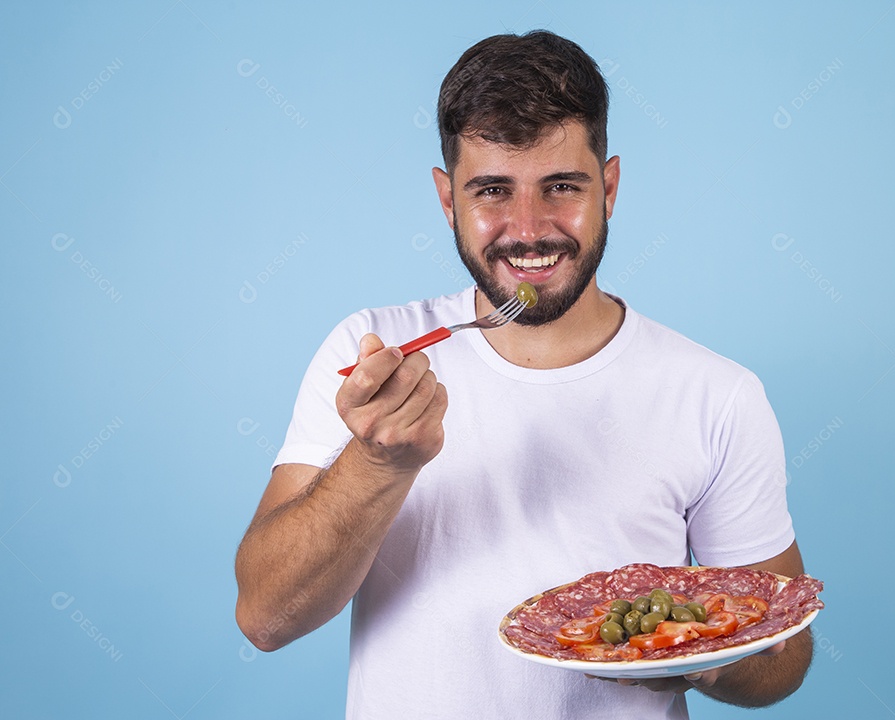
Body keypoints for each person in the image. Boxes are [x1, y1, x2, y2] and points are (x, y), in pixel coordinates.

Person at [235, 29, 813, 718]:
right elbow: (267, 618)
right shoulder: (374, 358)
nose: (529, 228)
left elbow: (784, 661)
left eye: (561, 186)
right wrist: (377, 464)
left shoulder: (716, 395)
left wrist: (693, 646)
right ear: (448, 200)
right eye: (492, 191)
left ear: (610, 186)